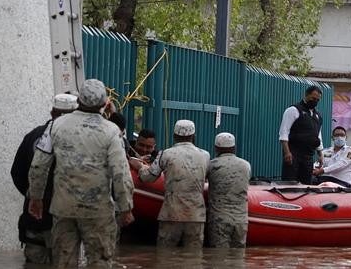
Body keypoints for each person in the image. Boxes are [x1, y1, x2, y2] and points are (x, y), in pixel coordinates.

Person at [28, 79, 135, 269]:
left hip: (63, 208)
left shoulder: (56, 126)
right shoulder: (111, 131)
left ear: (78, 101)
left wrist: (36, 199)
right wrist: (126, 207)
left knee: (63, 263)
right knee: (100, 263)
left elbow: (39, 165)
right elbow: (120, 172)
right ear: (105, 103)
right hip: (98, 211)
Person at [10, 94, 78, 264]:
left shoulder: (33, 136)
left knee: (34, 262)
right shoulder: (80, 141)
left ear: (52, 112)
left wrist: (33, 195)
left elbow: (17, 173)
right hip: (66, 218)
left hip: (35, 217)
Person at [129, 120, 210, 248]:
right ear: (193, 136)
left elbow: (147, 178)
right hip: (196, 216)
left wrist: (139, 166)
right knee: (194, 258)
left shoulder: (165, 154)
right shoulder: (205, 155)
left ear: (174, 136)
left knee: (165, 256)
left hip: (171, 214)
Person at [206, 133, 252, 248]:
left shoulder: (211, 165)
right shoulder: (246, 165)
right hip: (241, 220)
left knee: (218, 258)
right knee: (238, 258)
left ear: (216, 148)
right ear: (234, 147)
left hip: (219, 219)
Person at [279, 85, 324, 184]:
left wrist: (320, 154)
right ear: (306, 95)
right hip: (294, 153)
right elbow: (284, 132)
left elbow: (318, 135)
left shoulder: (318, 116)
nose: (315, 101)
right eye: (313, 98)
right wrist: (287, 152)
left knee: (306, 183)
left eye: (317, 100)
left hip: (308, 155)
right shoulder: (293, 110)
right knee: (290, 183)